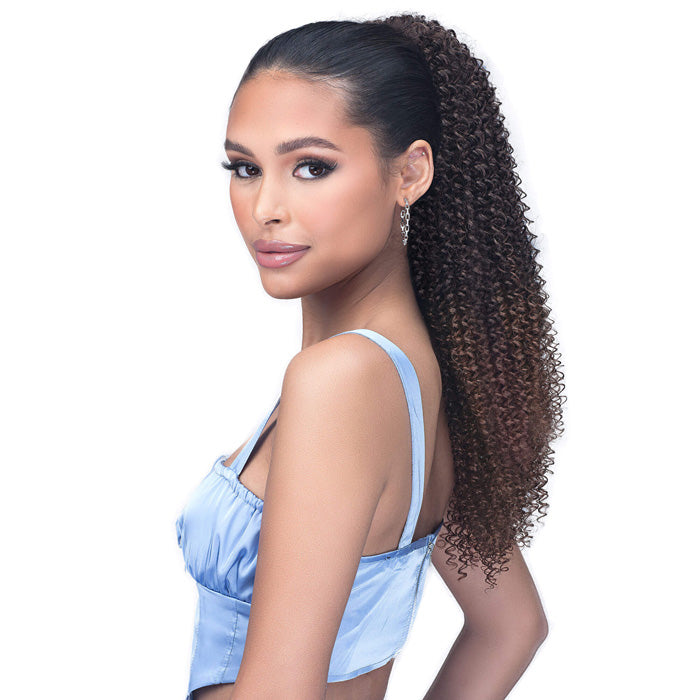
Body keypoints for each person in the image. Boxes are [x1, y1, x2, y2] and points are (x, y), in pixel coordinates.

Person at [176, 13, 565, 700]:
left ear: (410, 173)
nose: (265, 207)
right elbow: (511, 626)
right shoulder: (414, 379)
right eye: (245, 168)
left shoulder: (341, 381)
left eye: (312, 167)